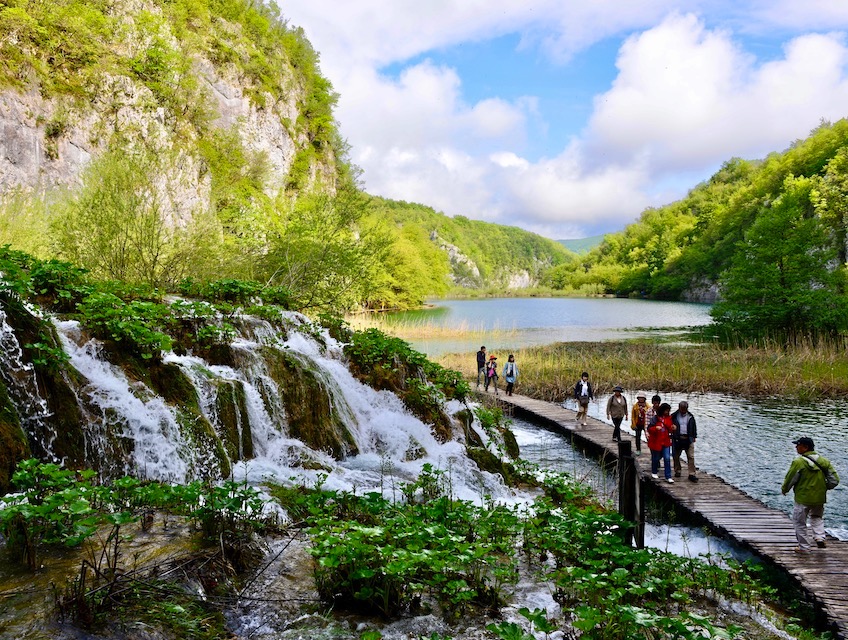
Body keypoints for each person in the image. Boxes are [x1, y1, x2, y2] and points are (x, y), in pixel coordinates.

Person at [781, 437, 839, 552]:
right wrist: (823, 488)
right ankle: (819, 537)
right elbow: (834, 480)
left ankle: (804, 547)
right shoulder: (824, 461)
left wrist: (785, 489)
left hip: (803, 498)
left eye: (798, 445)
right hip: (819, 498)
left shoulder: (798, 462)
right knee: (817, 517)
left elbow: (791, 478)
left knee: (799, 522)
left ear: (805, 447)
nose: (796, 447)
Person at [647, 402, 675, 483]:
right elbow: (649, 429)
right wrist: (655, 428)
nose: (667, 412)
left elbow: (670, 428)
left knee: (667, 458)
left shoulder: (669, 418)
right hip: (656, 442)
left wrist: (673, 428)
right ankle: (654, 472)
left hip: (665, 441)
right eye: (666, 411)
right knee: (655, 458)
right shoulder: (655, 418)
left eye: (668, 411)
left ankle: (668, 476)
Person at [671, 401, 698, 482]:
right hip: (677, 438)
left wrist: (694, 436)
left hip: (688, 438)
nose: (683, 411)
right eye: (682, 409)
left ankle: (692, 474)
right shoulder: (674, 416)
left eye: (684, 409)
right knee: (675, 456)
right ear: (679, 408)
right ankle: (678, 470)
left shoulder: (691, 416)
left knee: (691, 456)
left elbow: (694, 427)